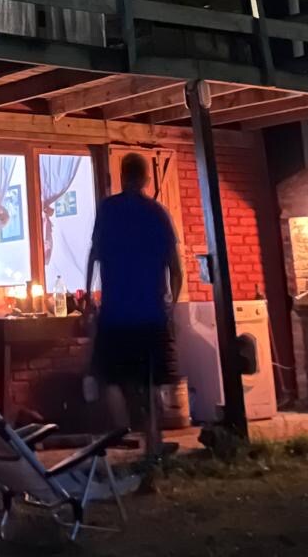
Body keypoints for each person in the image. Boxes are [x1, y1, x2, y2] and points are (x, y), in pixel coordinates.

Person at [85, 152, 182, 457]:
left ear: (121, 175)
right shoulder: (157, 214)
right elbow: (175, 268)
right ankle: (153, 445)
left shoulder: (108, 210)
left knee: (109, 376)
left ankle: (123, 434)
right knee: (151, 381)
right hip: (151, 313)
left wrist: (88, 298)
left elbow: (94, 255)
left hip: (115, 313)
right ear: (146, 178)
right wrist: (171, 305)